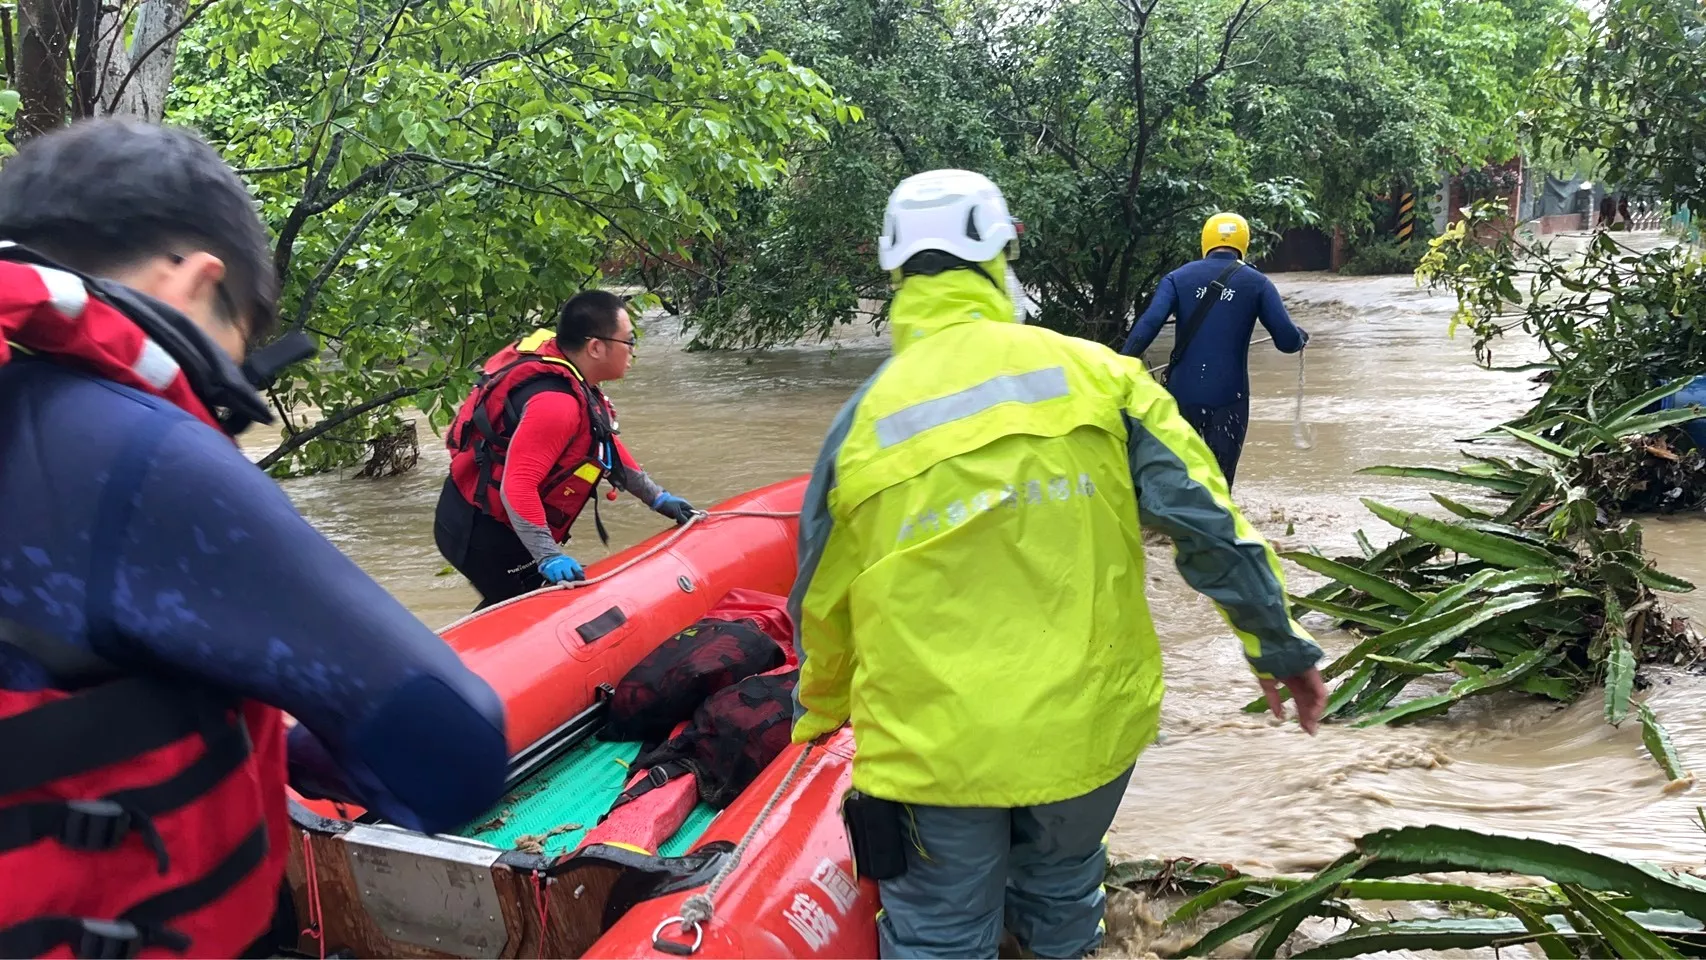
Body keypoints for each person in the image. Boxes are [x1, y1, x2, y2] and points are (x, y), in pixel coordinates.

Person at [0, 118, 509, 959]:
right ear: (201, 281)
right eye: (242, 338)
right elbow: (451, 747)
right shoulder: (132, 451)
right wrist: (294, 745)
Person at [789, 170, 1327, 960]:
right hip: (1084, 731)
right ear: (1008, 248)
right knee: (1063, 896)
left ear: (893, 268)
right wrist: (1278, 647)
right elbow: (1210, 526)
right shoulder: (1102, 378)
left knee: (938, 936)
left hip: (933, 751)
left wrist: (820, 710)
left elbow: (822, 601)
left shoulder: (862, 423)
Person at [435, 291, 695, 606]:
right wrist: (548, 556)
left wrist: (657, 497)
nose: (633, 351)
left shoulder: (573, 374)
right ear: (596, 347)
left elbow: (602, 444)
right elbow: (516, 486)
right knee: (529, 609)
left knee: (531, 601)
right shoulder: (556, 405)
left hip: (493, 518)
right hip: (480, 530)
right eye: (629, 341)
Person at [1119, 213, 1308, 487]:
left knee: (1179, 483)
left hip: (1181, 397)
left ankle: (1168, 529)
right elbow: (1287, 341)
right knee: (1220, 487)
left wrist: (1119, 365)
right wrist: (1301, 337)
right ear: (1244, 243)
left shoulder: (1177, 278)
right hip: (1230, 398)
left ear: (1205, 241)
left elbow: (1147, 326)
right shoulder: (1257, 283)